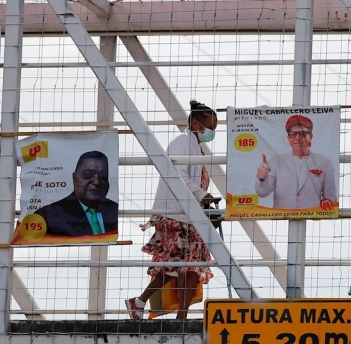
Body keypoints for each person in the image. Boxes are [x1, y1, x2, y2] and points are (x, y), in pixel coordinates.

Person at [125, 99, 218, 320]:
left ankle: (181, 315)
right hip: (176, 215)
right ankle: (139, 301)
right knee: (175, 263)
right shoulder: (182, 143)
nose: (211, 131)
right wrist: (202, 195)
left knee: (193, 266)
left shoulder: (195, 146)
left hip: (191, 216)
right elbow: (178, 176)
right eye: (209, 126)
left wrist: (203, 197)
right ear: (195, 122)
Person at [254, 114, 337, 209]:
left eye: (302, 133)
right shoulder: (276, 161)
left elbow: (330, 199)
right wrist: (262, 178)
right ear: (288, 138)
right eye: (292, 134)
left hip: (311, 218)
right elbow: (263, 193)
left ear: (311, 136)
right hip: (282, 218)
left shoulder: (325, 163)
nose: (297, 138)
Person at [34, 151, 119, 237]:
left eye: (103, 177)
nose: (97, 182)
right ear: (74, 178)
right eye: (88, 175)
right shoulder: (48, 216)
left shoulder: (115, 210)